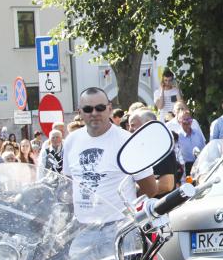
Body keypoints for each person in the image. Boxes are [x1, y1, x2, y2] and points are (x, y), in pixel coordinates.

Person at [63, 87, 157, 223]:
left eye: (100, 108)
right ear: (80, 112)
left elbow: (150, 188)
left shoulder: (128, 141)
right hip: (81, 226)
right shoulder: (71, 141)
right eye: (88, 109)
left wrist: (126, 208)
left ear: (109, 108)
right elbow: (68, 184)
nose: (94, 113)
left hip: (120, 225)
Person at [128, 109, 176, 197]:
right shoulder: (137, 150)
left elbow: (167, 185)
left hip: (161, 204)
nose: (130, 129)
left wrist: (133, 193)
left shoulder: (161, 148)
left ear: (148, 125)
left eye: (133, 125)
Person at [176, 108, 206, 174]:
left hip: (200, 165)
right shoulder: (177, 137)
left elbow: (204, 149)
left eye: (189, 119)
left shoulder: (197, 133)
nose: (187, 122)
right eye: (184, 120)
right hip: (186, 169)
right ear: (179, 122)